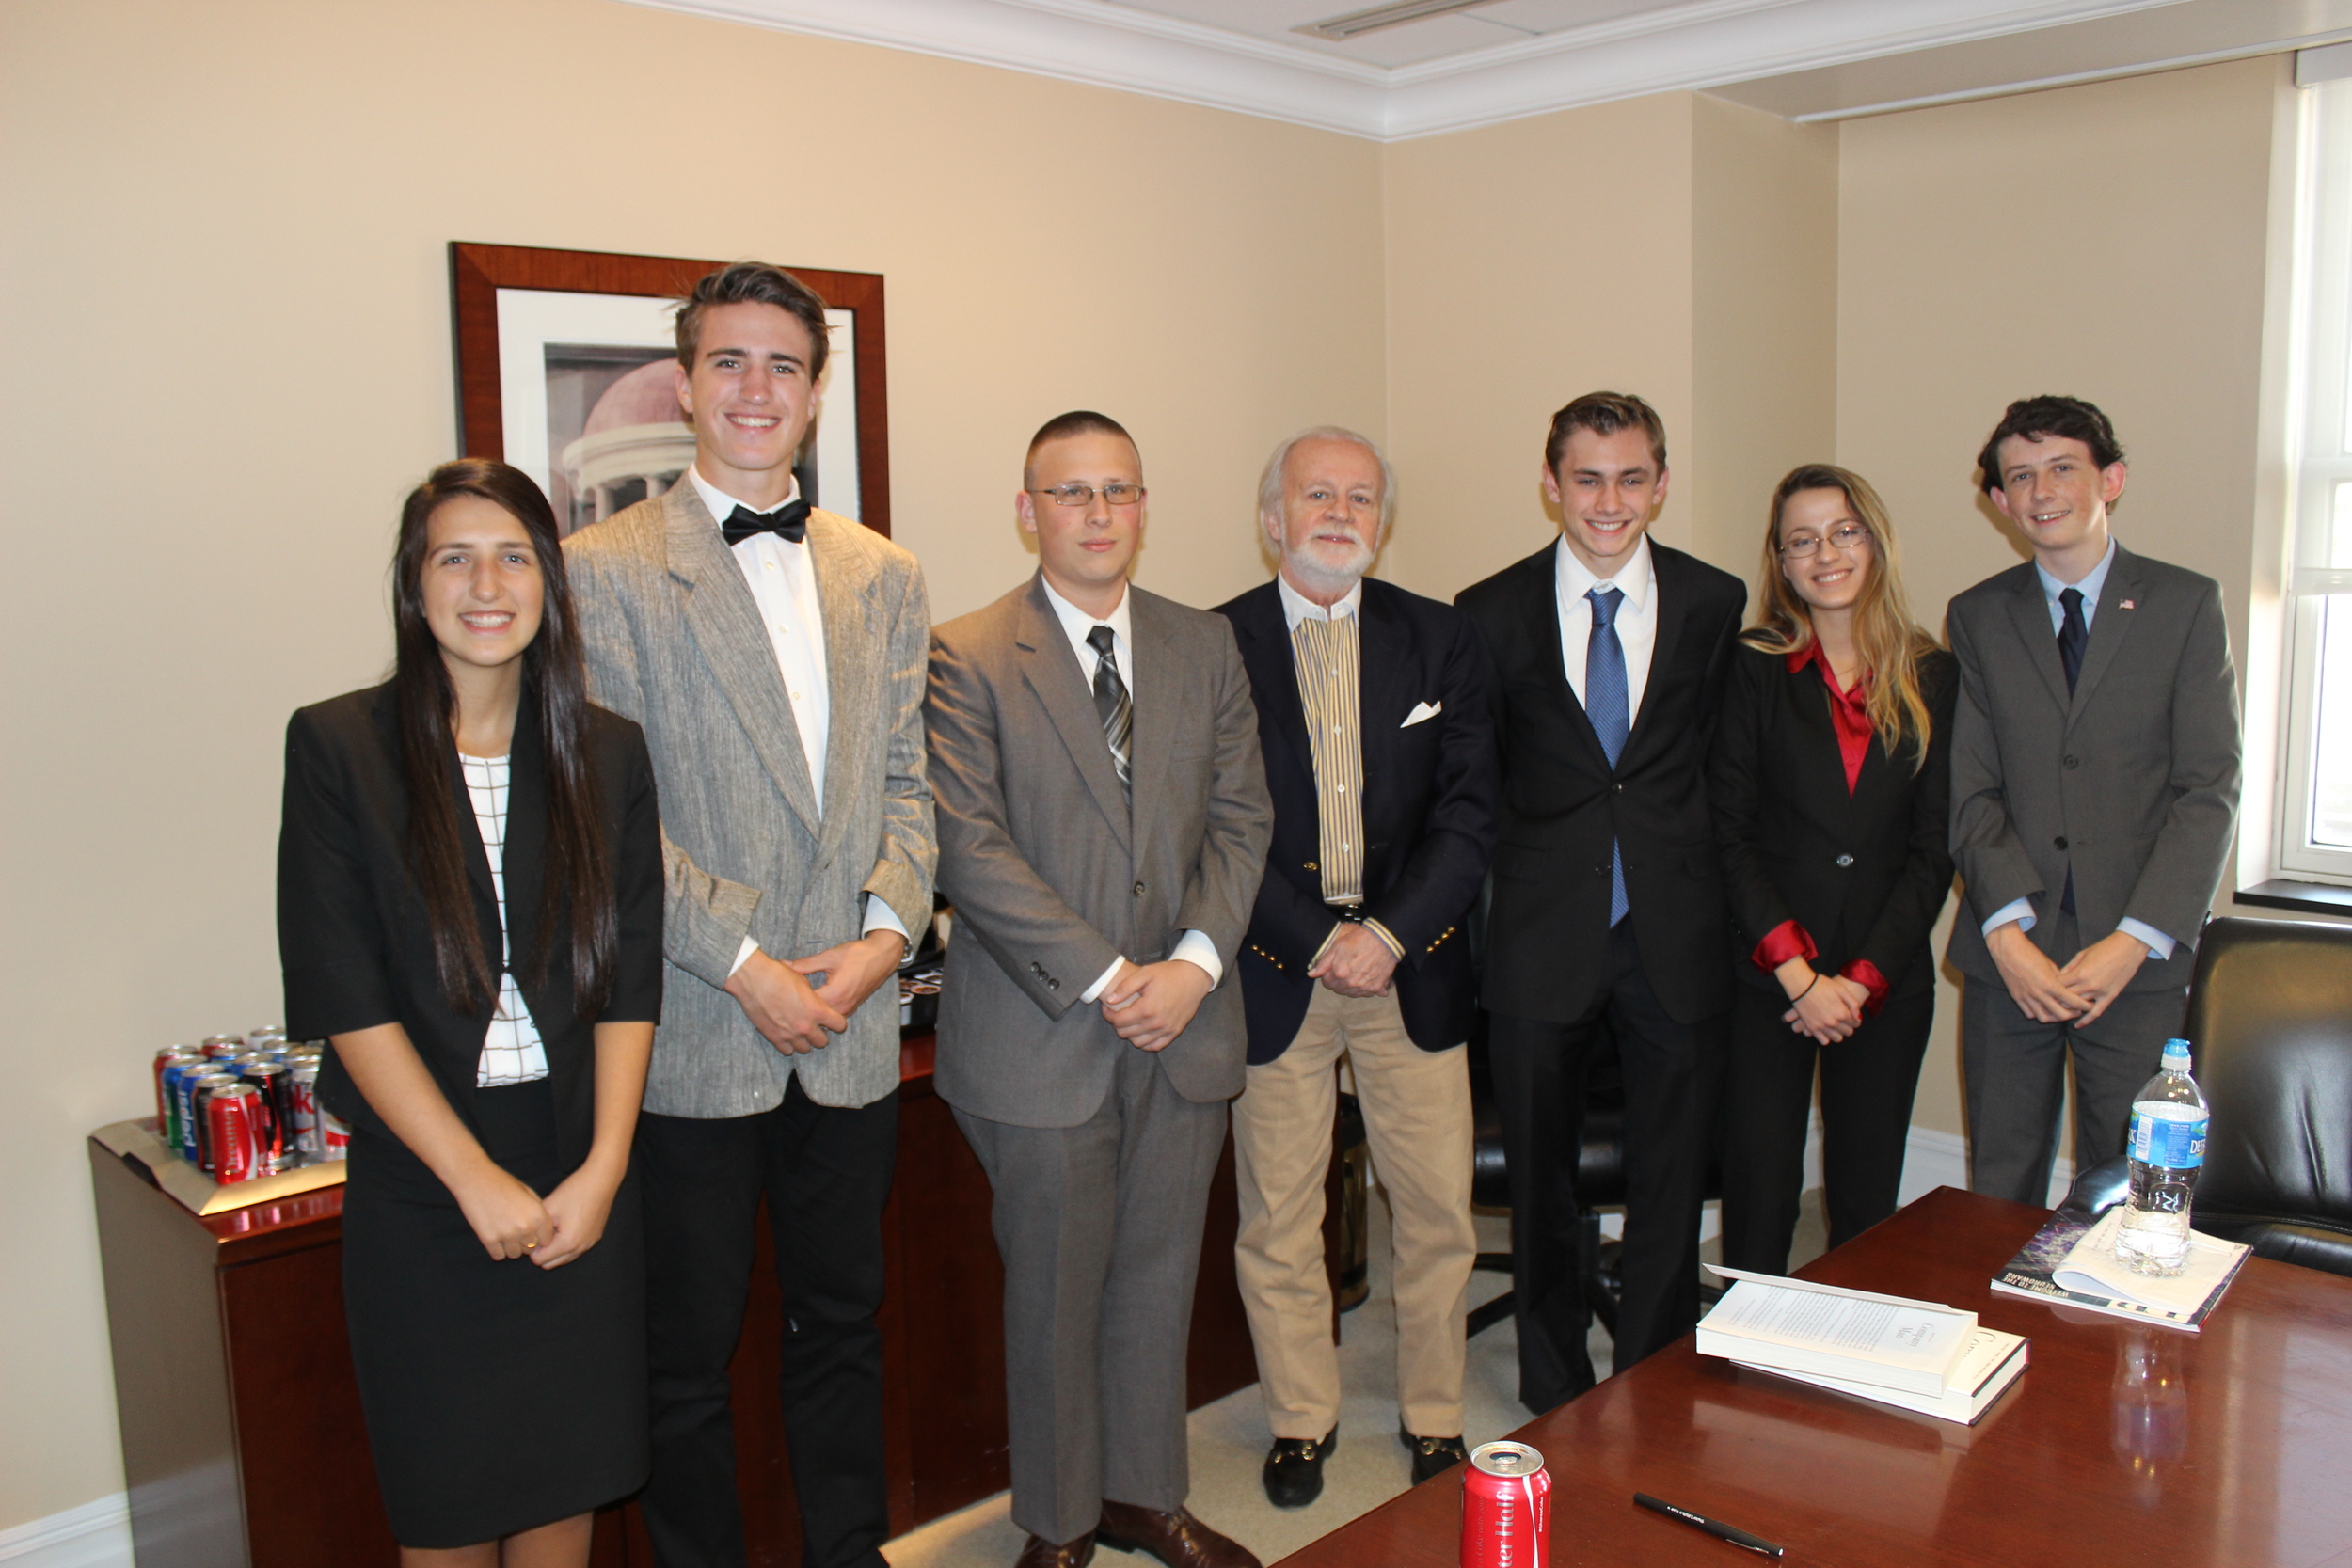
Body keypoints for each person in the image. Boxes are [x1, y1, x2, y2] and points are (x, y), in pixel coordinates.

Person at [564, 262, 936, 1568]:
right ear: (683, 383)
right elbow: (610, 820)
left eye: (784, 364)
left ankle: (848, 1549)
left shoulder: (882, 571)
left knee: (844, 1321)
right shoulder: (600, 570)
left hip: (851, 1020)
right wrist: (748, 964)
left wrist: (887, 937)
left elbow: (909, 778)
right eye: (730, 362)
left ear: (818, 390)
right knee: (688, 1353)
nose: (756, 389)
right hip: (697, 1028)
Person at [278, 459, 662, 1566]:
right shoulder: (339, 748)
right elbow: (342, 992)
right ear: (415, 583)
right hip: (425, 1185)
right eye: (455, 555)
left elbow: (629, 979)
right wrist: (469, 1176)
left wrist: (603, 1168)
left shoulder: (605, 752)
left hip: (579, 1168)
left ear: (549, 579)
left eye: (514, 554)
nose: (485, 582)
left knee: (566, 1487)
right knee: (445, 1509)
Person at [925, 411, 1273, 1568]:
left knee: (1156, 1280)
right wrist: (1115, 975)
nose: (1096, 514)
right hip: (1043, 1035)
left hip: (1185, 1026)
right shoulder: (966, 652)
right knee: (1056, 1297)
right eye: (1070, 493)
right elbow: (968, 847)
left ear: (1141, 505)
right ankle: (1061, 1522)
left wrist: (1193, 966)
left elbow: (1241, 819)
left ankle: (1145, 1498)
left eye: (1117, 491)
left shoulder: (1201, 644)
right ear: (1027, 510)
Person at [1212, 428, 1496, 1505]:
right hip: (1277, 966)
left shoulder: (1442, 639)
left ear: (1382, 519)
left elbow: (1469, 814)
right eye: (1315, 493)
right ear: (1272, 517)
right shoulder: (1211, 641)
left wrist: (1384, 934)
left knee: (1435, 1211)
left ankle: (1433, 1416)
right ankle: (1300, 1419)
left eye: (1360, 496)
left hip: (1410, 966)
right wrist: (1312, 935)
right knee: (1279, 1217)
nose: (1339, 510)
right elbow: (1209, 825)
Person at [1454, 391, 1744, 1415]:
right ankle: (1553, 1377)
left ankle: (1657, 1370)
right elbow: (1474, 787)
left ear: (1660, 484)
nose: (1608, 500)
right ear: (1551, 482)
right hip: (1539, 938)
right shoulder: (1487, 612)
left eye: (1630, 478)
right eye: (1587, 477)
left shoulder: (1716, 601)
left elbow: (1719, 770)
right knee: (1541, 1180)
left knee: (1670, 1176)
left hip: (1675, 931)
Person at [1947, 395, 2240, 1205]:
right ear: (2000, 503)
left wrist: (2132, 940)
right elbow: (1971, 788)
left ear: (2110, 479)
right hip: (2012, 954)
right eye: (2021, 477)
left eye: (2063, 468)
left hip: (2137, 958)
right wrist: (2008, 937)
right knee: (1999, 1185)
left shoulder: (2185, 606)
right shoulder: (1977, 616)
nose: (2043, 491)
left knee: (2131, 1188)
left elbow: (2208, 788)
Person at [1709, 464, 1956, 1274]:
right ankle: (1740, 1364)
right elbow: (1730, 832)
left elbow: (1933, 849)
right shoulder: (1751, 666)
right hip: (1769, 978)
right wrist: (1802, 977)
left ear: (1874, 541)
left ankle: (1848, 1367)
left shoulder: (1930, 673)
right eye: (1802, 540)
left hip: (1883, 980)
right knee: (1761, 1184)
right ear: (1780, 563)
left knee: (1864, 1195)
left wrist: (1859, 980)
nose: (1826, 553)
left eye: (1843, 531)